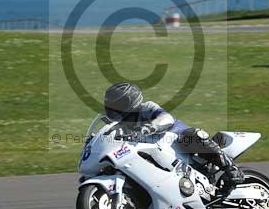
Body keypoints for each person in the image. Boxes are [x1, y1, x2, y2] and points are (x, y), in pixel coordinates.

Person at [102, 82, 244, 191]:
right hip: (158, 159)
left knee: (192, 135)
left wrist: (148, 128)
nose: (113, 110)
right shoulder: (121, 124)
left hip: (178, 144)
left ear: (129, 103)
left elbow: (166, 118)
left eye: (117, 106)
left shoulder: (147, 108)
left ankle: (231, 169)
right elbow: (109, 135)